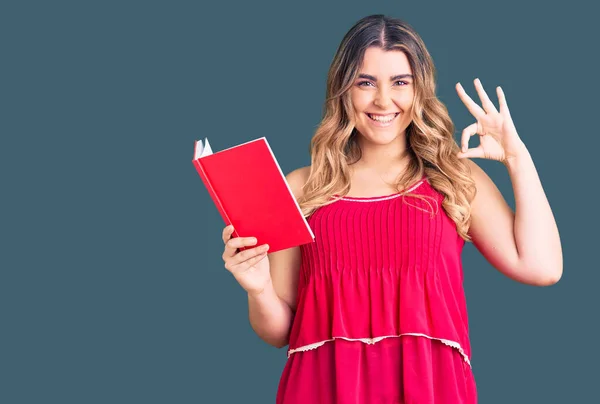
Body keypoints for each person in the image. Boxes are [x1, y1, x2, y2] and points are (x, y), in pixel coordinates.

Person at [220, 14, 562, 404]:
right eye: (366, 83)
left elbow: (542, 267)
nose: (383, 100)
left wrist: (517, 157)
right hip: (321, 389)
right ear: (343, 90)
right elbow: (278, 332)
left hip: (432, 389)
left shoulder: (453, 177)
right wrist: (258, 287)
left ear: (419, 91)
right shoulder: (301, 187)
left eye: (400, 82)